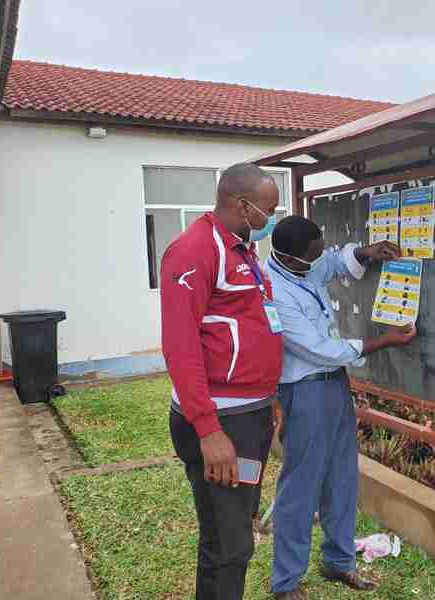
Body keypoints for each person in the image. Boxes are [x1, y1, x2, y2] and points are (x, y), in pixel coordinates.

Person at [267, 216, 417, 600]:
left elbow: (332, 263)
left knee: (342, 477)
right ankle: (286, 582)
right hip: (304, 390)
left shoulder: (304, 265)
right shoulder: (275, 293)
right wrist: (381, 342)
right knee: (301, 486)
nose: (320, 260)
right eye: (312, 255)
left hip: (333, 385)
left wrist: (366, 253)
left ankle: (338, 560)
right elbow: (319, 350)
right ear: (291, 258)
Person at [161, 162, 284, 600]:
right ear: (243, 205)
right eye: (269, 208)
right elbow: (180, 347)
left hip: (249, 417)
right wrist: (208, 430)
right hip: (222, 424)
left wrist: (269, 399)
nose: (272, 217)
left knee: (232, 530)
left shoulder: (242, 248)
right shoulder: (194, 251)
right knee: (229, 543)